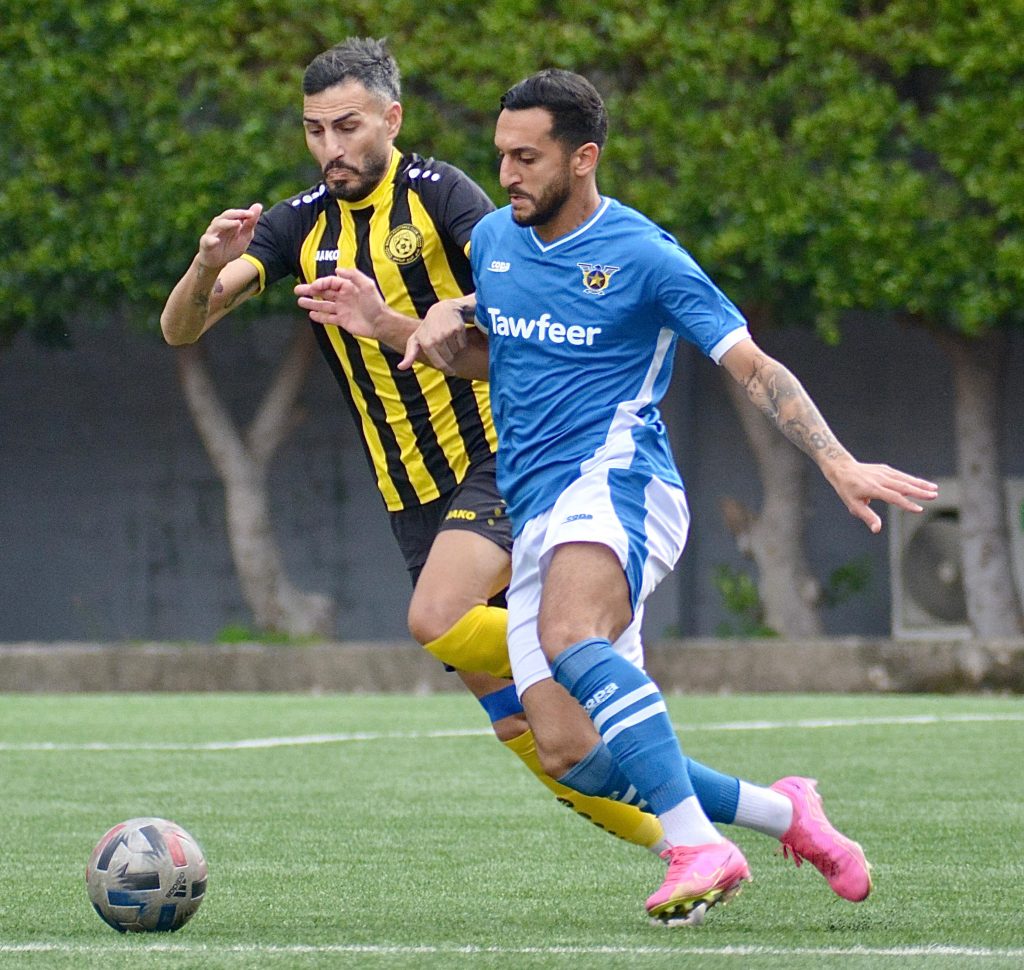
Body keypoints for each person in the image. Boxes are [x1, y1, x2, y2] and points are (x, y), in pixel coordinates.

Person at [296, 69, 938, 925]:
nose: (507, 174)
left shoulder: (645, 255)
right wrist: (401, 326)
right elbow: (506, 355)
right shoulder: (496, 241)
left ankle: (697, 846)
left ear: (584, 157)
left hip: (620, 480)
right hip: (535, 507)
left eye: (527, 158)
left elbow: (753, 366)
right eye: (502, 155)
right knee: (574, 755)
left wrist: (837, 460)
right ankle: (788, 814)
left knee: (570, 636)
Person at [159, 38, 675, 855]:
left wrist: (448, 309)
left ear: (391, 119)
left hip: (501, 459)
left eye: (348, 126)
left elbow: (523, 278)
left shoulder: (441, 194)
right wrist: (203, 265)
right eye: (315, 130)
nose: (331, 147)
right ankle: (683, 839)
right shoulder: (297, 224)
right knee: (530, 731)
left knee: (438, 617)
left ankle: (585, 653)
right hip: (411, 495)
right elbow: (181, 328)